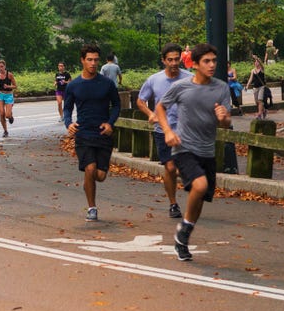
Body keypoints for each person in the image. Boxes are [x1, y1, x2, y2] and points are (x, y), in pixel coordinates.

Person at [155, 43, 232, 261]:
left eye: (214, 61)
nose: (212, 65)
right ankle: (185, 230)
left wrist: (223, 117)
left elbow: (226, 123)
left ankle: (183, 237)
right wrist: (168, 131)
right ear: (195, 64)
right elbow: (160, 107)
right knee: (200, 185)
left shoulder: (221, 88)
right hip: (184, 148)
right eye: (206, 61)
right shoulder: (181, 86)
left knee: (199, 199)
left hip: (207, 151)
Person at [63, 44, 121, 222]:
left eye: (96, 60)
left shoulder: (107, 84)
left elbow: (117, 105)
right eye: (89, 59)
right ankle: (92, 207)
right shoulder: (74, 85)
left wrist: (110, 123)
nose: (93, 63)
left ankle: (88, 182)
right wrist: (69, 124)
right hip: (84, 134)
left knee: (100, 176)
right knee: (90, 168)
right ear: (82, 60)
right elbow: (67, 109)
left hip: (103, 134)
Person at [135, 43, 192, 219]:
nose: (174, 63)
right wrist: (151, 114)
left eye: (177, 59)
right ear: (163, 60)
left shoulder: (190, 78)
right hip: (163, 130)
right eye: (170, 60)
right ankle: (173, 203)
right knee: (170, 167)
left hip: (186, 130)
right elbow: (140, 101)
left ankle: (193, 194)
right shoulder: (154, 80)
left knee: (186, 168)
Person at [0, 59, 17, 137]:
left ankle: (10, 116)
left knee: (7, 115)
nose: (0, 68)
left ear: (5, 66)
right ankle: (5, 131)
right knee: (2, 113)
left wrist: (8, 86)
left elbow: (15, 86)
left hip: (8, 95)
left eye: (2, 66)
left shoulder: (9, 75)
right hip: (0, 95)